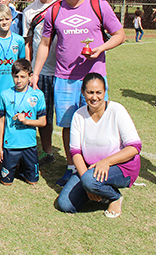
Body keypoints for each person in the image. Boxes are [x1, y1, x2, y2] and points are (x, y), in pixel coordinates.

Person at [32, 0, 126, 186]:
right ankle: (72, 167)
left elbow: (120, 34)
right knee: (68, 124)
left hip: (94, 78)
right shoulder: (54, 11)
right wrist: (35, 73)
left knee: (97, 122)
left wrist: (101, 48)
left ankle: (99, 166)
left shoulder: (98, 6)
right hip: (64, 78)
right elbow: (45, 44)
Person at [57, 73, 142, 217]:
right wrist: (86, 182)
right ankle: (95, 186)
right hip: (90, 169)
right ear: (83, 92)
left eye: (98, 92)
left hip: (121, 167)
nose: (94, 97)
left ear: (105, 92)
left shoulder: (117, 110)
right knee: (65, 204)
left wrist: (106, 162)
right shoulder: (78, 115)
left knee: (91, 180)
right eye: (90, 92)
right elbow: (75, 152)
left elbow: (134, 147)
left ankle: (114, 197)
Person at [23, 0, 65, 166]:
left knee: (70, 116)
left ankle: (73, 156)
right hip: (43, 72)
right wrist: (31, 70)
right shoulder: (29, 11)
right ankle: (48, 152)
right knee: (44, 114)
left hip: (67, 71)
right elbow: (28, 43)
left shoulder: (66, 2)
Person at [0, 59, 46, 186]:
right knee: (6, 182)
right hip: (11, 145)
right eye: (16, 76)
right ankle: (15, 166)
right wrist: (0, 145)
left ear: (30, 76)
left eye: (23, 77)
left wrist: (27, 121)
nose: (19, 80)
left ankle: (24, 168)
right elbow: (1, 121)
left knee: (33, 181)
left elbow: (43, 122)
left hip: (29, 145)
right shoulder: (5, 94)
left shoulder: (38, 95)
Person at [0, 5, 25, 91]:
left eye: (7, 19)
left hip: (13, 87)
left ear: (11, 19)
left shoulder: (19, 40)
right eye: (0, 20)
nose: (4, 22)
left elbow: (22, 64)